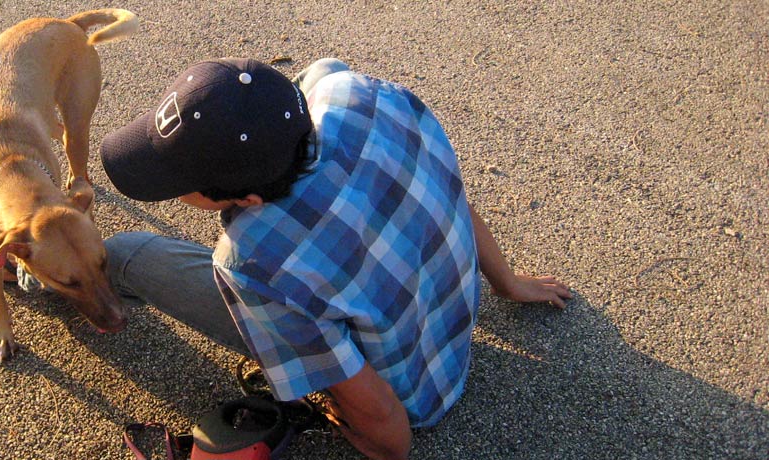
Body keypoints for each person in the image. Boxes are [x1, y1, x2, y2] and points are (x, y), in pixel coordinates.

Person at [98, 58, 572, 459]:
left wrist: (372, 435)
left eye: (178, 183)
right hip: (446, 330)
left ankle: (58, 281)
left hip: (413, 395)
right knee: (323, 66)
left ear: (246, 199)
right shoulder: (366, 96)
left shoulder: (251, 262)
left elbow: (386, 423)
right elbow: (446, 190)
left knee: (124, 253)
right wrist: (506, 281)